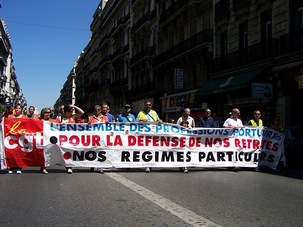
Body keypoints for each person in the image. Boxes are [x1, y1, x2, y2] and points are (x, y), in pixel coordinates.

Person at [137, 100, 162, 173]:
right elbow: (135, 123)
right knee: (146, 149)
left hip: (153, 134)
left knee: (153, 149)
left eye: (149, 105)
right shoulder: (140, 113)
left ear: (151, 105)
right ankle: (147, 165)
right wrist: (141, 120)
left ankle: (150, 165)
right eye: (147, 105)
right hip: (144, 135)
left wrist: (160, 121)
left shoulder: (154, 112)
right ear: (144, 105)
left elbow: (158, 120)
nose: (148, 106)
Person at [60, 104, 84, 173]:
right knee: (65, 152)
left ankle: (69, 166)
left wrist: (74, 106)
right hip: (63, 139)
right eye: (71, 111)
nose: (72, 112)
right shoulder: (60, 118)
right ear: (66, 112)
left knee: (71, 151)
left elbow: (82, 112)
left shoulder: (73, 117)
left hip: (72, 138)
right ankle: (67, 165)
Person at [7, 104, 26, 174]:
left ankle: (19, 167)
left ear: (21, 110)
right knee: (11, 153)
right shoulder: (10, 117)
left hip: (20, 138)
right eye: (16, 108)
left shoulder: (24, 117)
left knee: (19, 153)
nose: (17, 109)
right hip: (12, 137)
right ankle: (11, 167)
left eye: (19, 108)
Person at [176, 108, 195, 173]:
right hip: (181, 138)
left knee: (187, 151)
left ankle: (185, 165)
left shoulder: (191, 119)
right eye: (186, 112)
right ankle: (183, 166)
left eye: (188, 112)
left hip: (189, 138)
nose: (187, 113)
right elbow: (176, 128)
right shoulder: (180, 119)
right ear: (184, 112)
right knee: (182, 151)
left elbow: (194, 128)